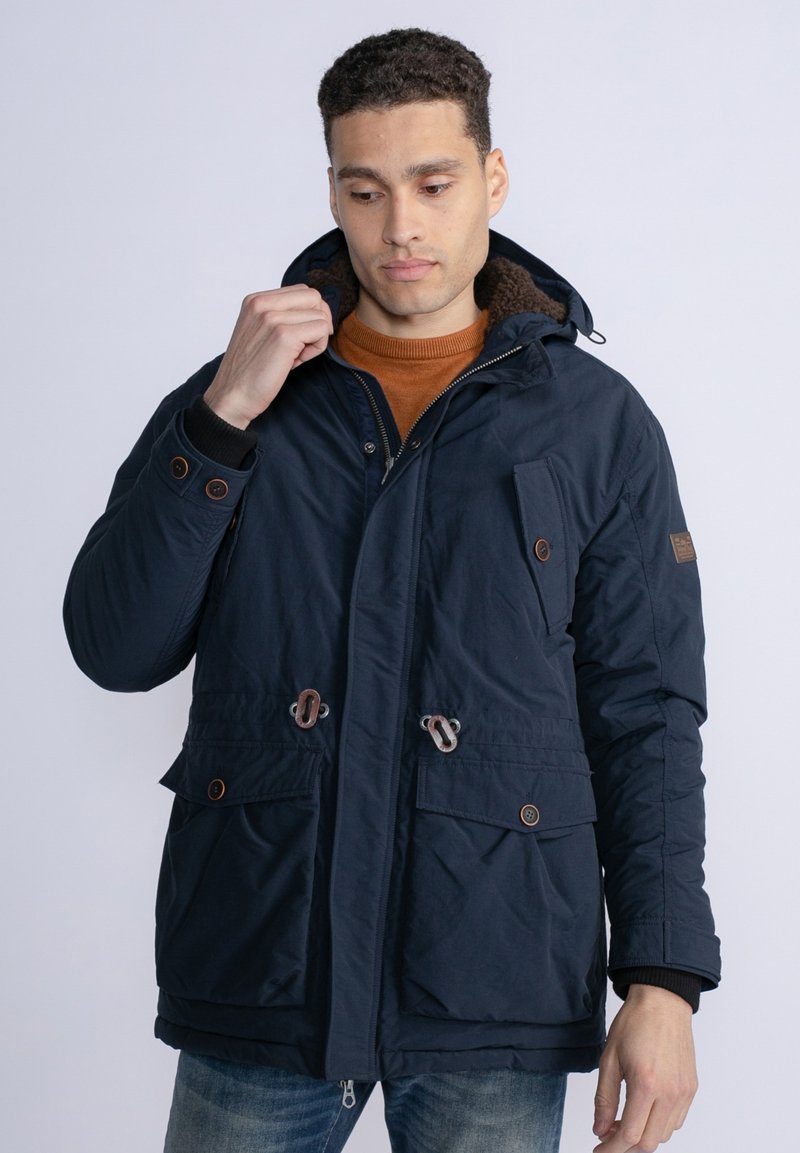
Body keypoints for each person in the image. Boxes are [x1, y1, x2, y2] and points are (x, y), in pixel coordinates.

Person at [63, 27, 720, 1153]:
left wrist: (662, 979)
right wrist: (220, 420)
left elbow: (647, 713)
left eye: (433, 183)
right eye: (364, 191)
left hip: (495, 980)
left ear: (492, 179)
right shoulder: (239, 394)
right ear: (332, 189)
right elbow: (115, 646)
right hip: (262, 976)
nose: (400, 227)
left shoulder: (595, 423)